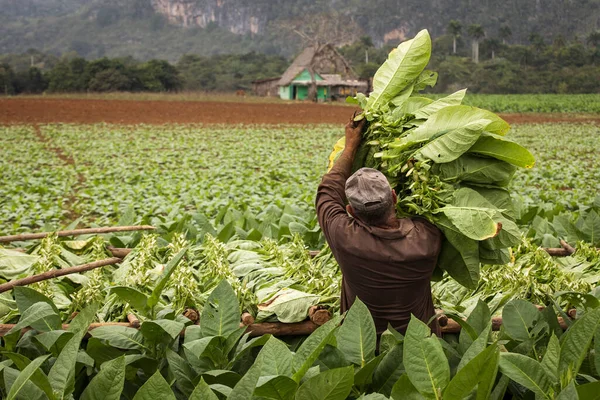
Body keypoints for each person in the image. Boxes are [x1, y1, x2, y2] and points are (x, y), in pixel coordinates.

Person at [316, 114, 443, 337]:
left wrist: (350, 146)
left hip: (363, 348)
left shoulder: (345, 238)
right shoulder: (428, 239)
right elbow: (432, 204)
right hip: (420, 349)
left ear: (351, 211)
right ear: (394, 197)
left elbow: (327, 191)